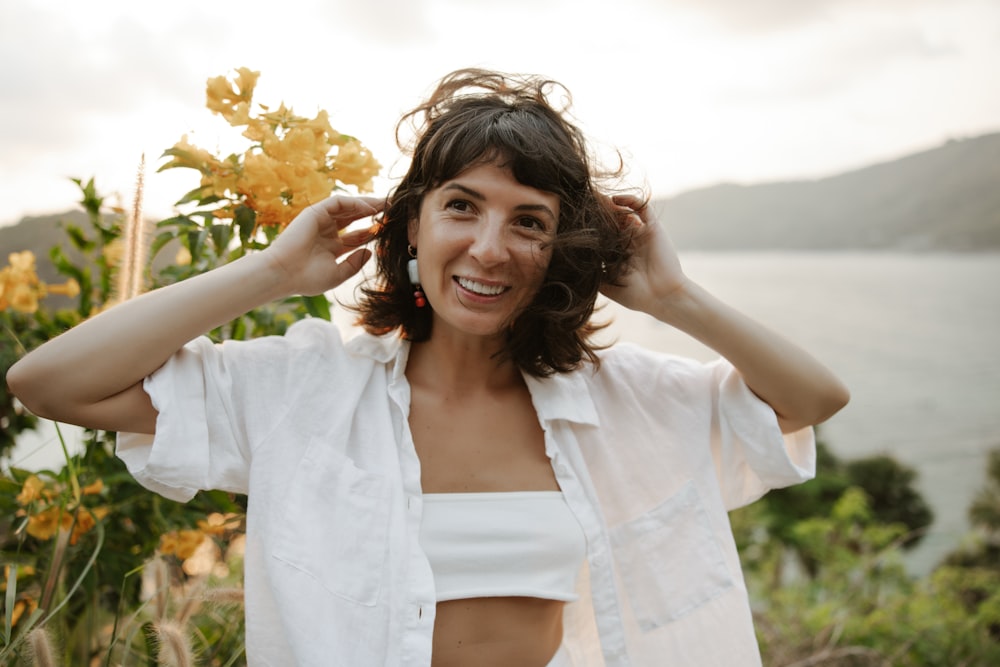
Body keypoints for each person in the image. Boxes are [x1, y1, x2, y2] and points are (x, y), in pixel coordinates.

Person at [7, 68, 849, 666]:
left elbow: (813, 399)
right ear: (411, 224)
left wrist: (673, 297)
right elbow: (49, 383)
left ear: (557, 248)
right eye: (461, 206)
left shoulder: (621, 400)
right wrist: (267, 274)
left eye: (529, 221)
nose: (490, 248)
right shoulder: (303, 391)